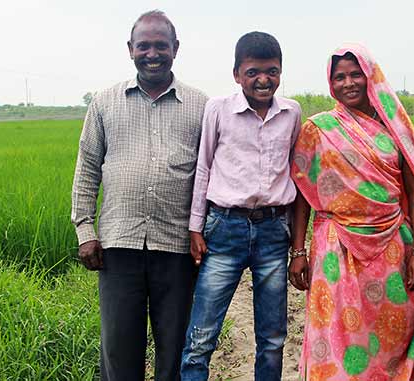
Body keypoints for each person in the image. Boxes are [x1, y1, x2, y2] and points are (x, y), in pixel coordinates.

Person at [70, 10, 208, 381]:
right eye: (143, 46)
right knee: (119, 349)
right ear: (130, 49)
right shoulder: (105, 102)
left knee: (175, 349)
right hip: (119, 246)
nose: (152, 54)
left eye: (160, 45)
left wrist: (204, 232)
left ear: (175, 48)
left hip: (177, 247)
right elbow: (87, 169)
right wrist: (85, 232)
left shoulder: (201, 106)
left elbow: (210, 174)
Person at [288, 43, 414, 380]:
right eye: (339, 77)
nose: (348, 83)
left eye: (356, 74)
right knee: (338, 334)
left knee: (394, 330)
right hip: (335, 248)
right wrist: (298, 251)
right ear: (330, 83)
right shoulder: (319, 129)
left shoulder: (395, 129)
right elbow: (301, 195)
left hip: (392, 246)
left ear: (371, 77)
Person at [180, 31, 301, 381]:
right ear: (237, 74)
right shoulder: (218, 109)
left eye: (272, 71)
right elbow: (203, 166)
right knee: (202, 335)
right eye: (253, 72)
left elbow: (296, 173)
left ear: (280, 72)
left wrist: (297, 245)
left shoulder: (291, 113)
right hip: (224, 229)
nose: (263, 79)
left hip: (273, 231)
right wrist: (195, 227)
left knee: (273, 337)